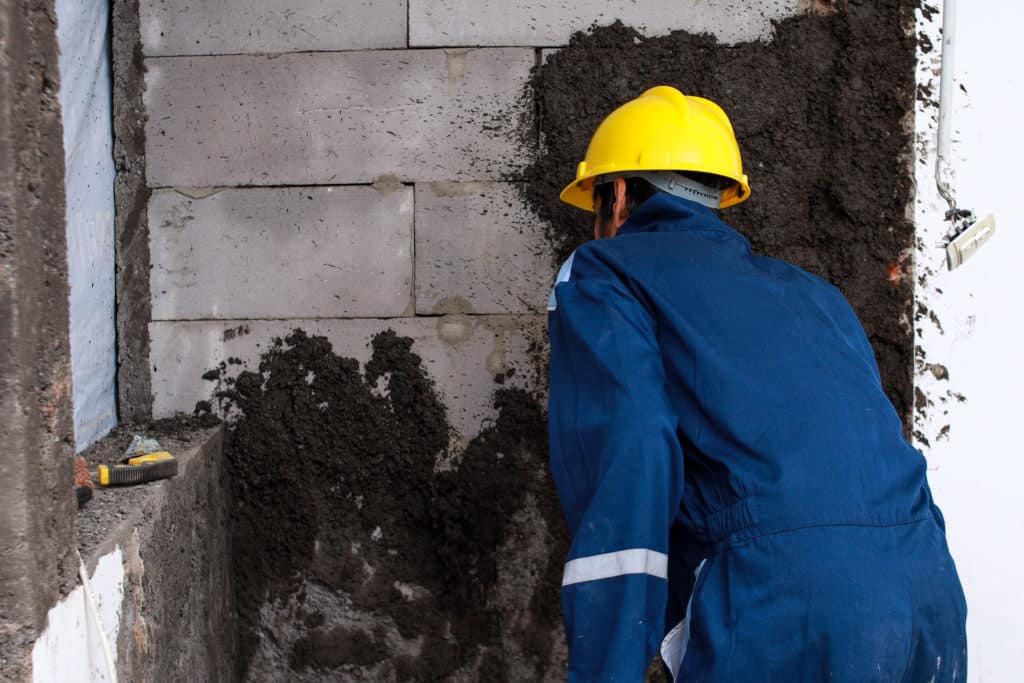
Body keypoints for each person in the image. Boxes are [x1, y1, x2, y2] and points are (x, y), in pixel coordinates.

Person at [546, 86, 967, 682]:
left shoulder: (603, 274)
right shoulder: (816, 296)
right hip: (926, 593)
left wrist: (606, 669)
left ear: (616, 196)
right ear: (720, 195)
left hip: (785, 605)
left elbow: (629, 457)